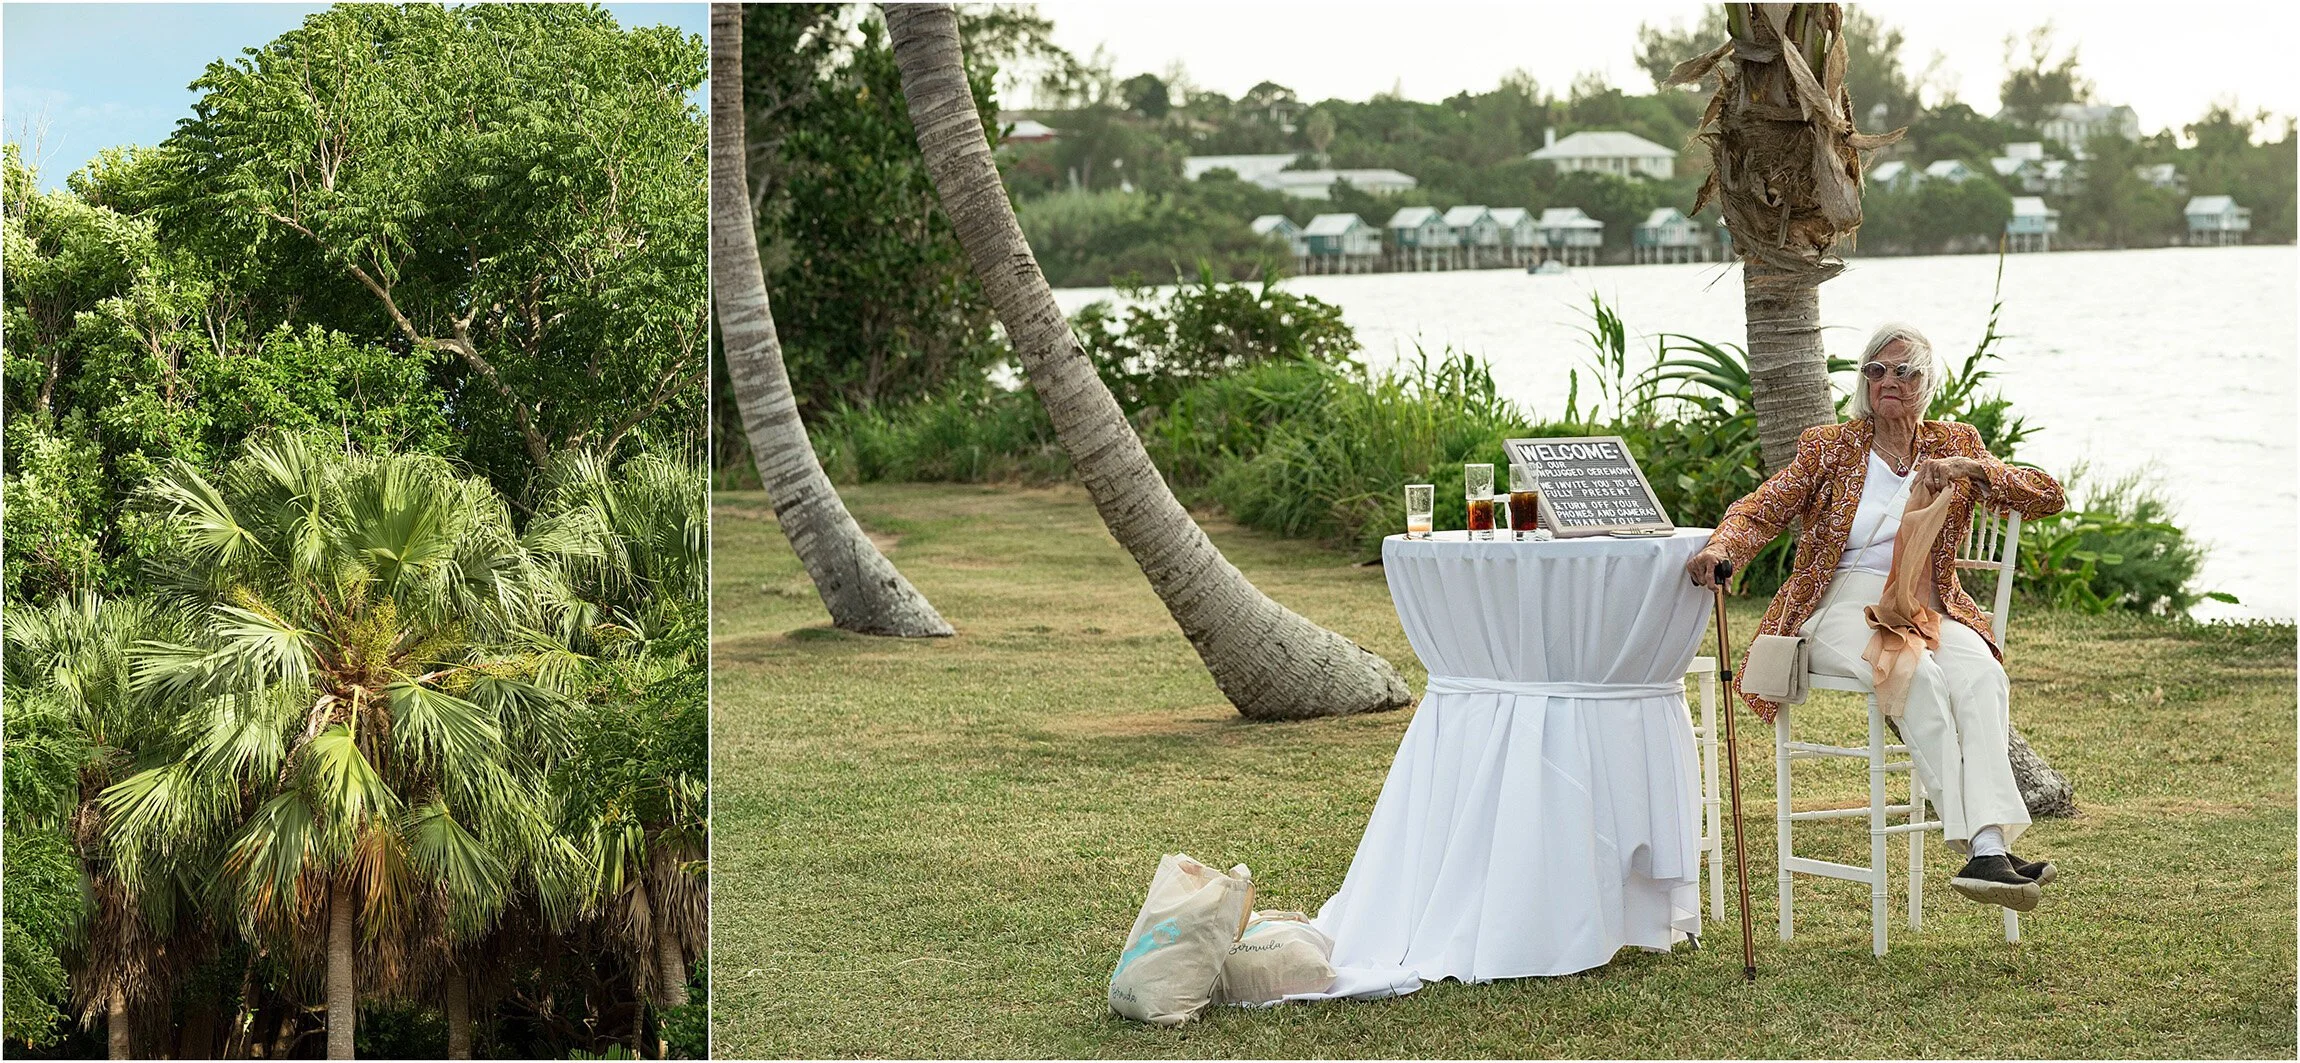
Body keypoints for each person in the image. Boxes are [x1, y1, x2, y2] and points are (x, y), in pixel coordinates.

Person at [1684, 322, 2067, 912]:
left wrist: (1971, 469)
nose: (1887, 381)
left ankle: (1987, 851)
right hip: (1840, 601)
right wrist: (1722, 548)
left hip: (1927, 601)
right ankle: (1985, 848)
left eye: (1904, 371)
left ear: (1927, 383)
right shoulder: (1830, 445)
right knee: (1913, 672)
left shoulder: (1954, 442)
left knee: (1982, 674)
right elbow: (1763, 505)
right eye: (1875, 370)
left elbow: (2047, 496)